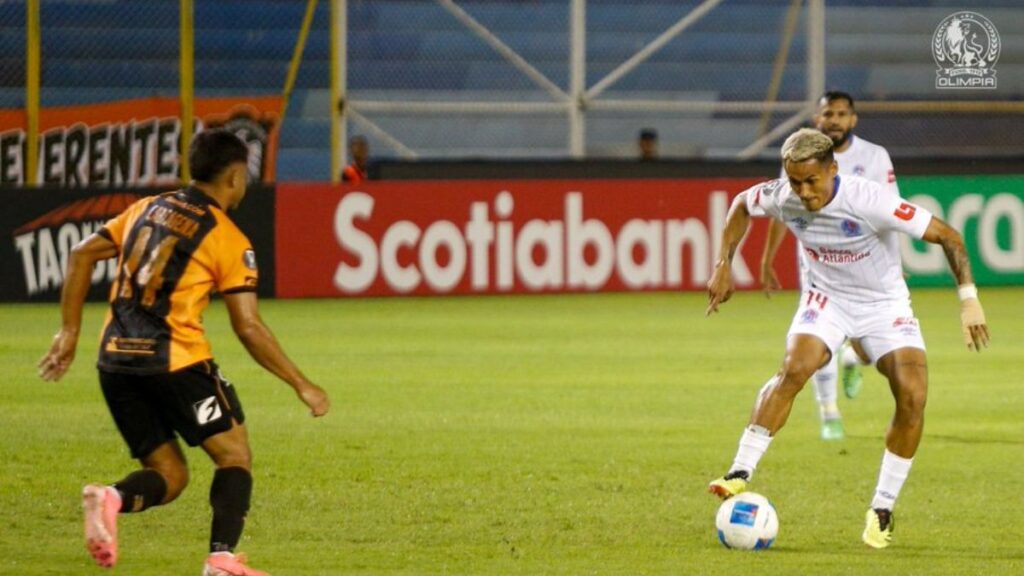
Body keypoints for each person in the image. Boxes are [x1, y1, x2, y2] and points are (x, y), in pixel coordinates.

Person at [38, 130, 330, 575]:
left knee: (171, 476)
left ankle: (111, 497)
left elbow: (80, 255)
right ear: (234, 177)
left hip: (114, 361)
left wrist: (69, 332)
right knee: (234, 454)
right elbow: (248, 327)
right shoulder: (228, 238)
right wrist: (301, 384)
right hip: (176, 361)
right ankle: (221, 561)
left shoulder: (146, 208)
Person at [706, 128, 988, 549]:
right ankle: (739, 471)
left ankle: (882, 508)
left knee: (913, 395)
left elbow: (948, 235)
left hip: (884, 305)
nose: (802, 192)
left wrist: (969, 301)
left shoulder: (869, 200)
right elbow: (740, 205)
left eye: (811, 181)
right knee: (795, 369)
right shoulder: (782, 194)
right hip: (826, 300)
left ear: (832, 169)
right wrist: (723, 264)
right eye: (795, 181)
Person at [760, 91, 900, 441]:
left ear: (852, 119)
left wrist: (894, 264)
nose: (834, 120)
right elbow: (781, 209)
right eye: (827, 114)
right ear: (817, 120)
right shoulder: (800, 155)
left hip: (866, 265)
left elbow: (891, 213)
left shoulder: (875, 156)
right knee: (817, 346)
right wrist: (766, 259)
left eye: (841, 114)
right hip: (819, 264)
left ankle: (854, 356)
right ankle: (829, 414)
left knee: (869, 348)